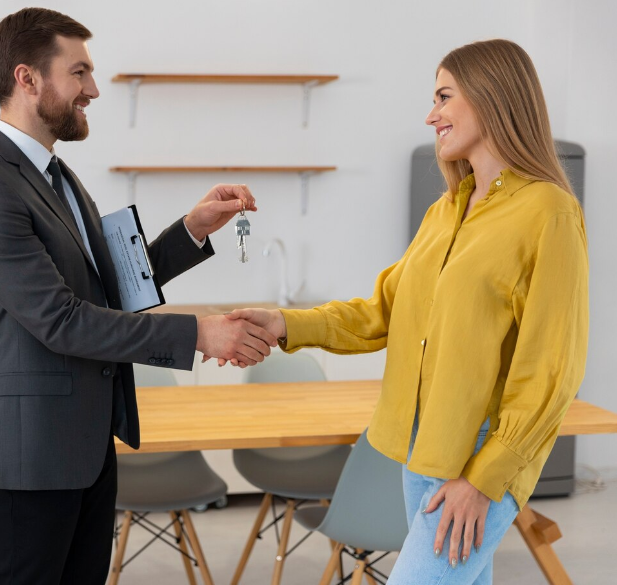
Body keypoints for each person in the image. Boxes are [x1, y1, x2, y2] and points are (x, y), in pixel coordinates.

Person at [228, 39, 588, 584]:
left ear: (492, 96)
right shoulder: (444, 211)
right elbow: (383, 312)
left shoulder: (548, 212)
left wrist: (484, 478)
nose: (431, 114)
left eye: (444, 96)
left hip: (480, 457)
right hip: (419, 451)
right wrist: (285, 324)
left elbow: (551, 369)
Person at [0, 7, 277, 584]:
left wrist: (192, 229)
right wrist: (198, 332)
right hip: (33, 451)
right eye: (79, 73)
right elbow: (63, 319)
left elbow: (106, 288)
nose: (93, 89)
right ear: (27, 78)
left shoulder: (56, 176)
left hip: (85, 441)